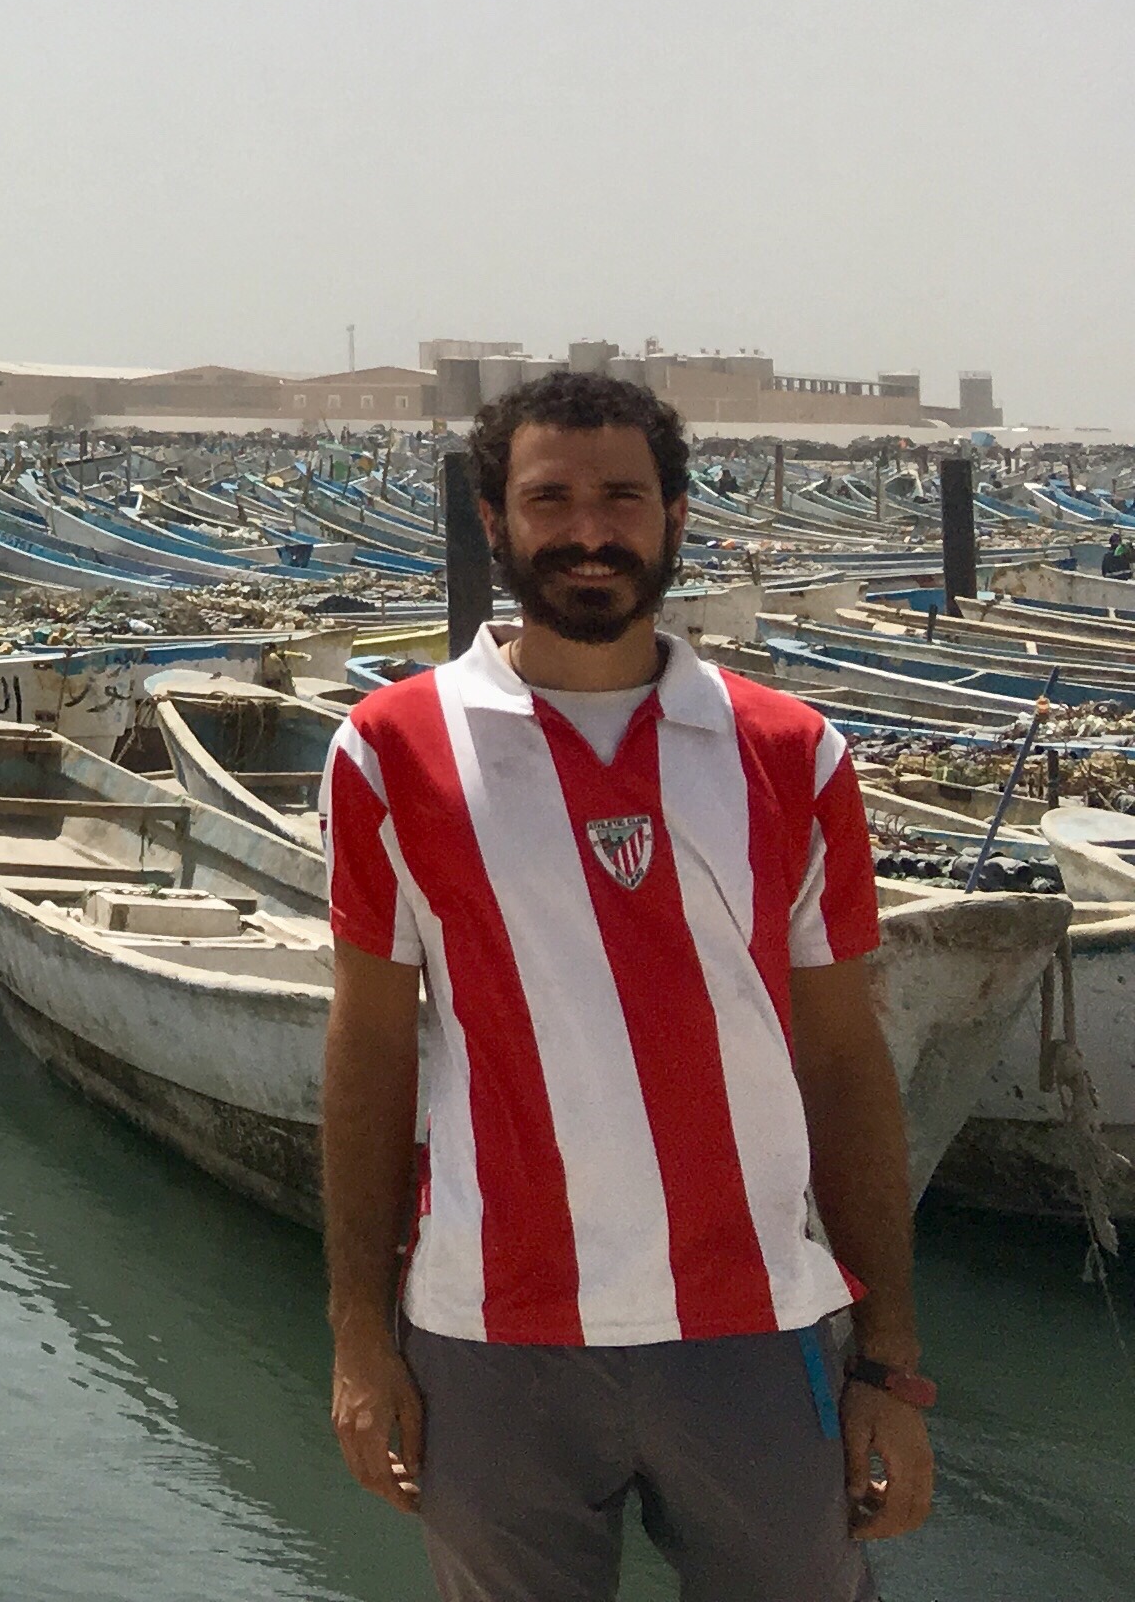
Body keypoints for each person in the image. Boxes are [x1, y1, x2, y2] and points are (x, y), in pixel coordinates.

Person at [321, 369, 932, 1599]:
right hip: (491, 1338)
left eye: (622, 498)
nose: (589, 530)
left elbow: (841, 1060)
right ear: (493, 521)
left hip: (754, 1330)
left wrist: (892, 1364)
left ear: (676, 516)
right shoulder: (390, 753)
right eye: (550, 498)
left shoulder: (792, 755)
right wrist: (357, 1342)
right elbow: (371, 1056)